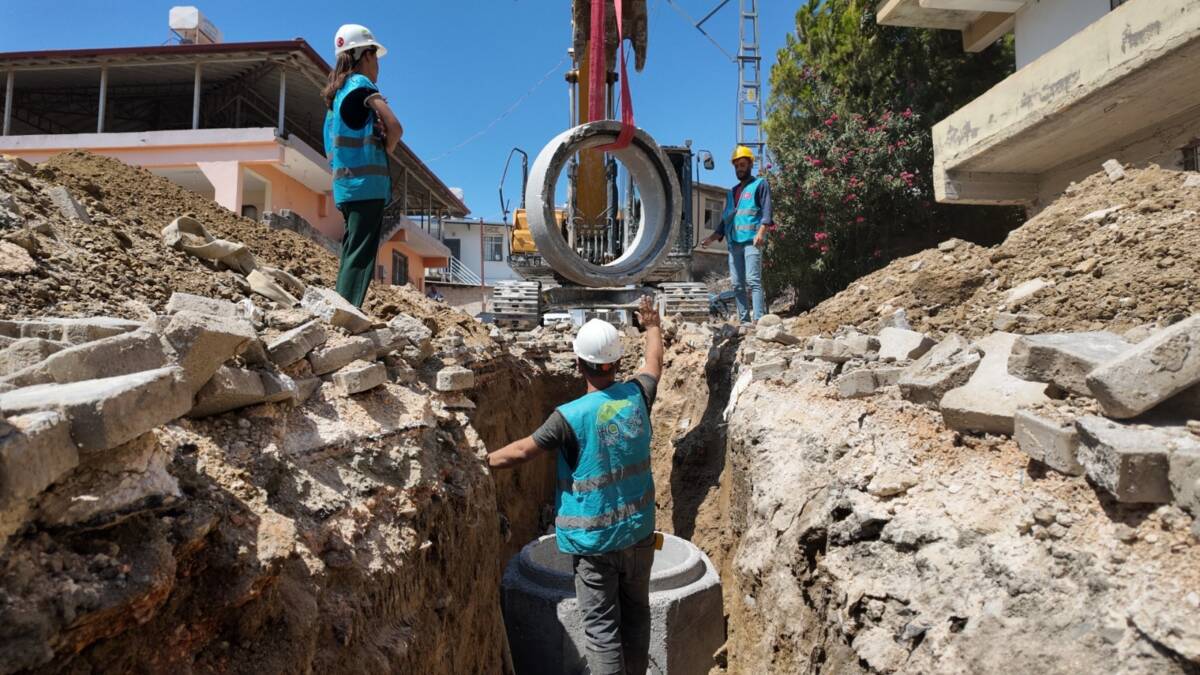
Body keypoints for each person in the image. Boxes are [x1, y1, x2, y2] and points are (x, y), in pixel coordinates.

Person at [488, 295, 663, 675]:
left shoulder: (568, 417)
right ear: (617, 362)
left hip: (595, 543)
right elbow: (653, 364)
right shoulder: (636, 395)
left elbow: (520, 452)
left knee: (602, 632)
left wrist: (480, 463)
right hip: (638, 534)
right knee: (637, 617)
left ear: (578, 362)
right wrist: (652, 326)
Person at [322, 24, 403, 308]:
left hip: (345, 190)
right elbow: (395, 128)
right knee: (360, 257)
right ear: (365, 55)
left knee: (351, 251)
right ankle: (345, 312)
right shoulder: (361, 85)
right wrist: (387, 146)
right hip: (367, 188)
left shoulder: (336, 98)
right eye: (375, 57)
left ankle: (340, 309)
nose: (378, 65)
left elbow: (332, 149)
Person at [701, 145, 773, 324]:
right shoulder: (732, 192)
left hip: (751, 241)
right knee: (738, 284)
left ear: (750, 164)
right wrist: (711, 238)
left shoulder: (759, 185)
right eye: (736, 166)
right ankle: (745, 321)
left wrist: (762, 232)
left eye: (742, 164)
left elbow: (766, 211)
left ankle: (759, 320)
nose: (739, 168)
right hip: (734, 244)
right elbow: (726, 219)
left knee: (753, 280)